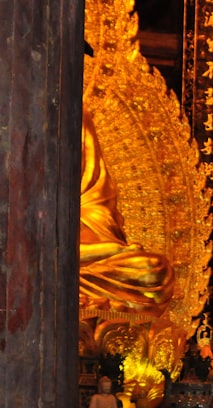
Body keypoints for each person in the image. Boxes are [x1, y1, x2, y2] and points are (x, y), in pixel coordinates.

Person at [80, 107, 175, 316]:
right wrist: (115, 250)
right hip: (38, 277)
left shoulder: (91, 198)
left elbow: (73, 250)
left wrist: (115, 251)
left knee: (154, 269)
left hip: (90, 270)